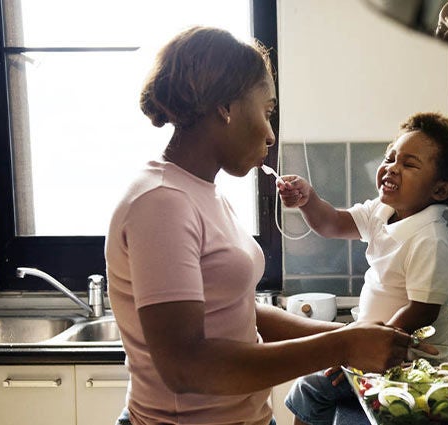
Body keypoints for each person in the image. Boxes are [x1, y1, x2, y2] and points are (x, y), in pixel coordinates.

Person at [105, 26, 414, 425]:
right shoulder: (161, 202)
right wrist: (343, 345)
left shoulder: (203, 191)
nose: (270, 132)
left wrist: (349, 334)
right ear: (224, 106)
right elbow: (185, 366)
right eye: (266, 111)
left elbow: (238, 311)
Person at [279, 112, 448, 425]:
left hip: (406, 364)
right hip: (370, 350)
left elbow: (422, 311)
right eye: (391, 158)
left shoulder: (430, 239)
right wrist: (308, 200)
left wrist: (360, 348)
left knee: (311, 388)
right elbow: (333, 223)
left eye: (409, 164)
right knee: (312, 384)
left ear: (440, 190)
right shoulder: (382, 210)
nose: (391, 168)